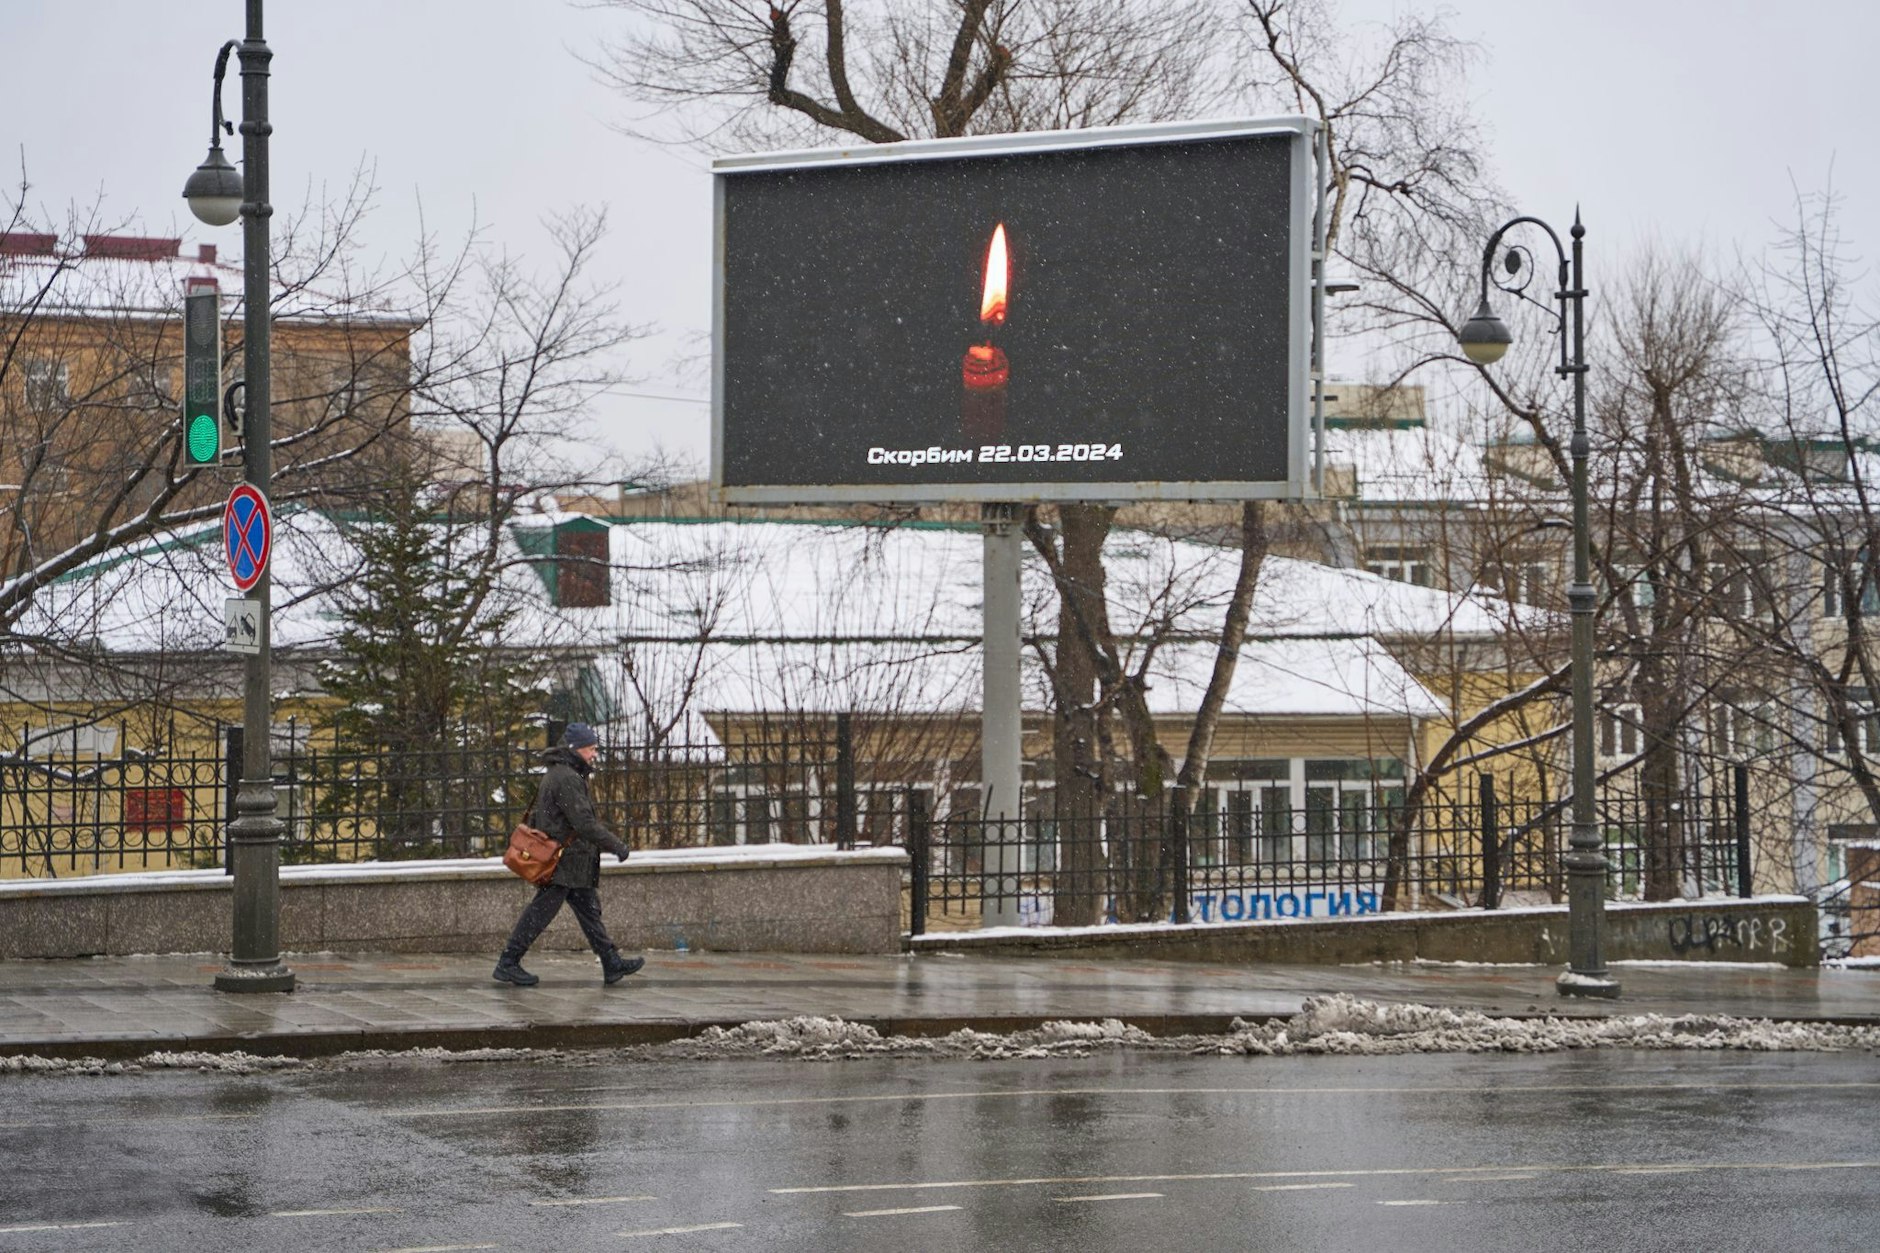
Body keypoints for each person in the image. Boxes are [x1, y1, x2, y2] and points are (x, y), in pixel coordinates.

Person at [493, 723, 645, 987]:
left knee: (589, 912)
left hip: (572, 861)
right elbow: (583, 823)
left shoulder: (562, 773)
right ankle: (508, 962)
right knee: (540, 912)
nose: (594, 754)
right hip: (563, 861)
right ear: (575, 749)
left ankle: (611, 962)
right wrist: (617, 846)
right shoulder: (566, 778)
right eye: (591, 749)